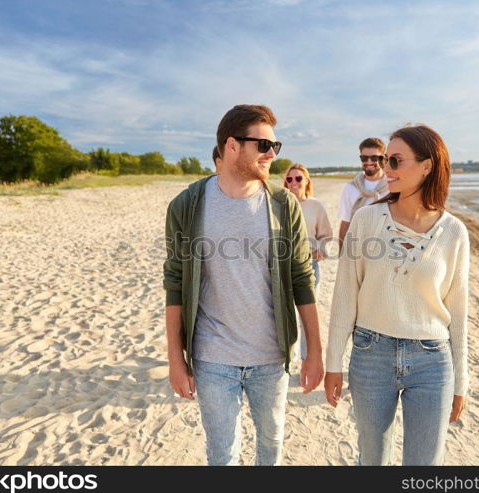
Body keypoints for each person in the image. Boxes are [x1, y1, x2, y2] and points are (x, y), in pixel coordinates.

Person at [163, 104, 324, 466]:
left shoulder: (283, 204)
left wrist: (314, 350)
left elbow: (302, 277)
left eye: (275, 146)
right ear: (232, 146)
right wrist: (176, 359)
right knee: (222, 454)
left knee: (271, 446)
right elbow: (175, 283)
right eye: (264, 145)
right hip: (212, 357)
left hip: (271, 356)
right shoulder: (186, 206)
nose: (272, 154)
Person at [324, 124, 469, 466]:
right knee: (372, 461)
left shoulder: (454, 232)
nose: (385, 169)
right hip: (370, 355)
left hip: (432, 360)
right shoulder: (365, 219)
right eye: (385, 160)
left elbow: (459, 312)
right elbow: (345, 296)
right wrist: (333, 363)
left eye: (395, 161)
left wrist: (461, 381)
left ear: (427, 166)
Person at [283, 163, 332, 360]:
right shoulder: (279, 204)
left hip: (310, 266)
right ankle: (289, 355)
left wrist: (321, 249)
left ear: (306, 181)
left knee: (307, 312)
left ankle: (306, 357)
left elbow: (326, 235)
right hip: (284, 265)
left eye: (298, 178)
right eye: (289, 179)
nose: (293, 182)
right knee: (286, 312)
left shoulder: (316, 206)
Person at [337, 138, 390, 252]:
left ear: (383, 159)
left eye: (374, 158)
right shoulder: (350, 188)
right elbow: (346, 222)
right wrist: (342, 253)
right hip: (357, 247)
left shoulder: (392, 186)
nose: (369, 161)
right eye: (364, 158)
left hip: (386, 247)